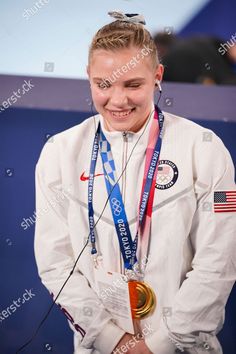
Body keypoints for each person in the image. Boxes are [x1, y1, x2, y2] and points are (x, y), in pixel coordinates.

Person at [34, 10, 236, 354]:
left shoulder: (203, 147)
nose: (118, 100)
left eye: (133, 85)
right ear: (88, 78)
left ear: (157, 76)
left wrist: (158, 345)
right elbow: (55, 263)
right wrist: (115, 342)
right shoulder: (60, 152)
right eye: (103, 85)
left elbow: (218, 263)